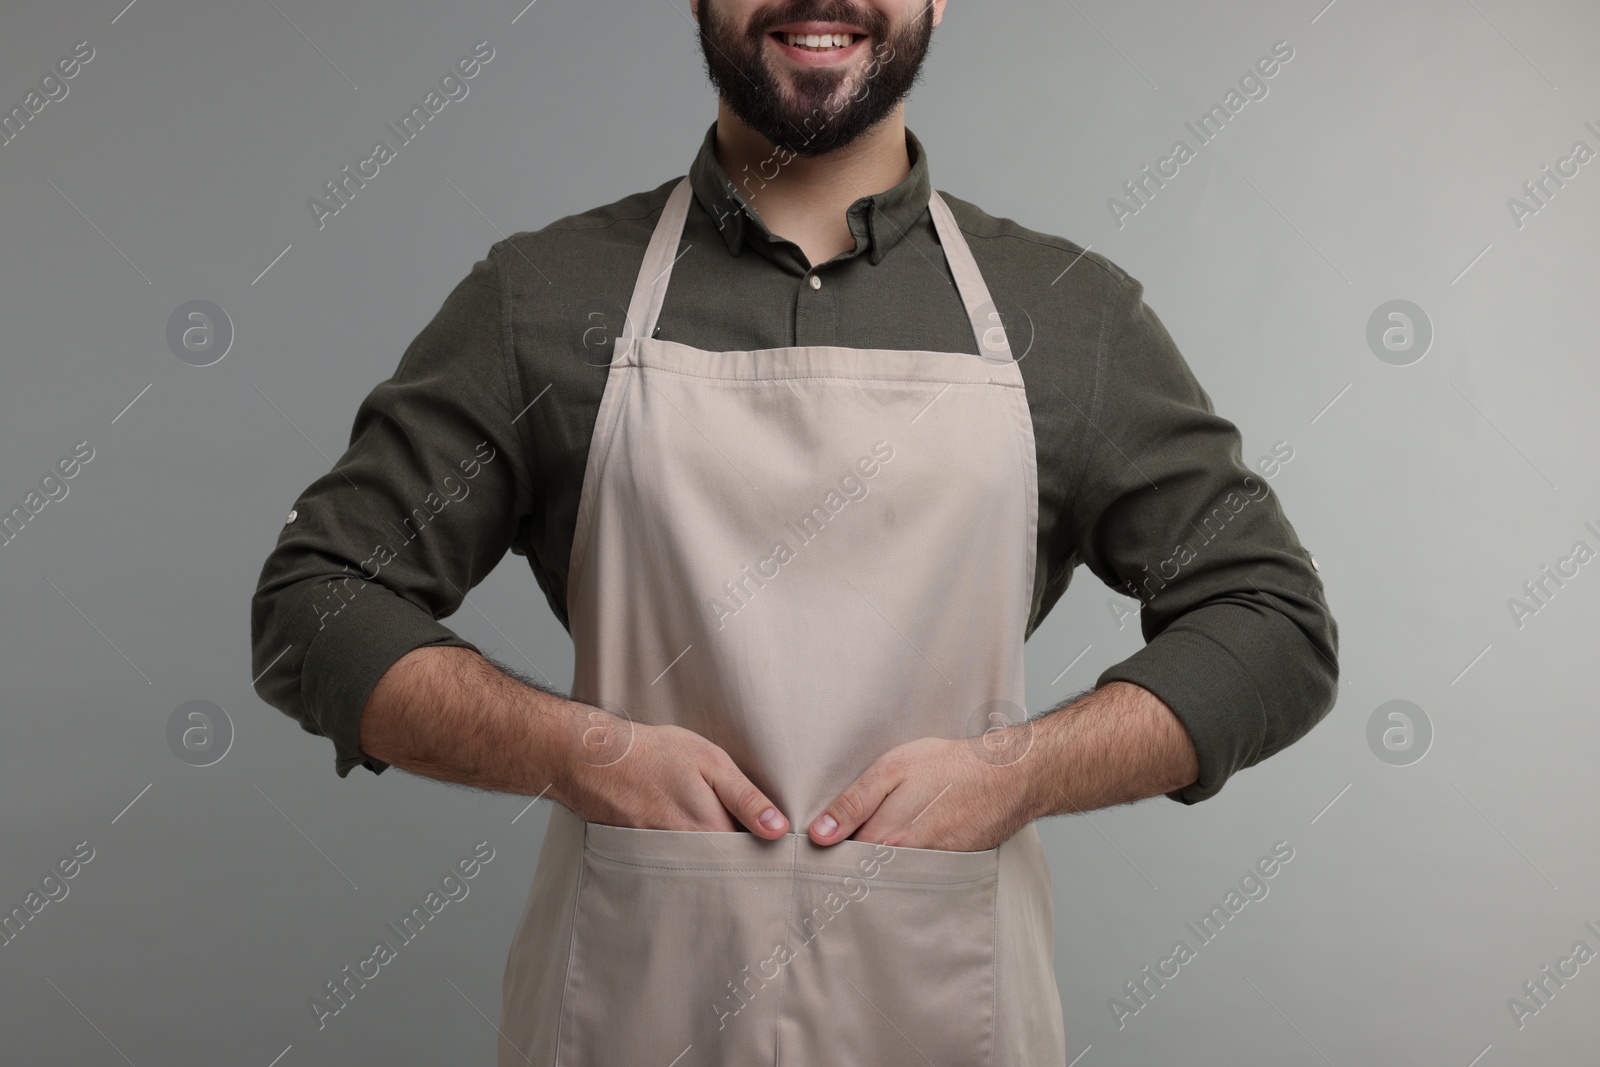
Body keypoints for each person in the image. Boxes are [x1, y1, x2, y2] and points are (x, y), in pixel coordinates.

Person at [250, 1, 1339, 1063]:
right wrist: (579, 750)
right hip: (631, 1007)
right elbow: (315, 605)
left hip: (942, 1002)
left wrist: (1023, 769)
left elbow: (1272, 625)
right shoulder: (541, 300)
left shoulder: (1070, 315)